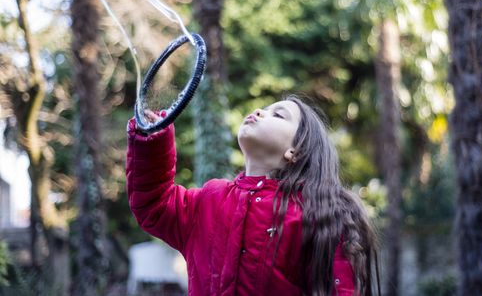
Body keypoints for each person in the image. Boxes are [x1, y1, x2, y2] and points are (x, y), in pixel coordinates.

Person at [126, 95, 379, 296]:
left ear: (295, 151)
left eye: (277, 114)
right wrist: (152, 143)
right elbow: (154, 204)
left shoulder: (316, 214)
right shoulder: (209, 200)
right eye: (265, 108)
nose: (260, 111)